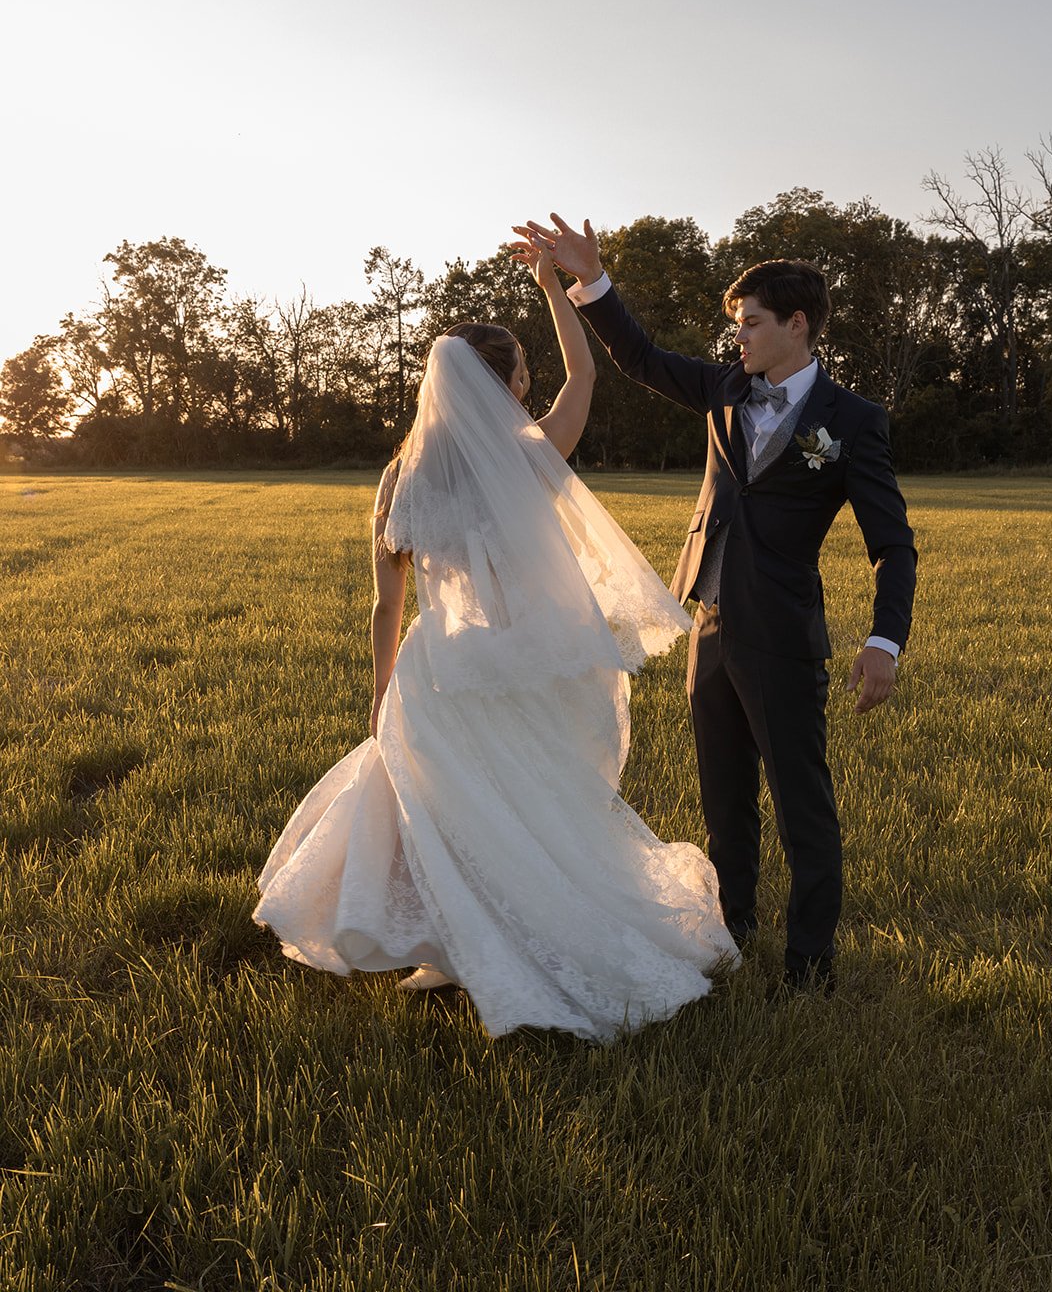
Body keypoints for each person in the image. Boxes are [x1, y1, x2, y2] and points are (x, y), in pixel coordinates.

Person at [253, 244, 739, 1040]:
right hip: (532, 665)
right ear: (505, 384)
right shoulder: (531, 456)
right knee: (538, 811)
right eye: (520, 375)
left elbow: (387, 606)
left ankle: (463, 945)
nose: (529, 385)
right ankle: (508, 943)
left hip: (438, 667)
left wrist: (381, 694)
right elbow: (583, 378)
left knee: (453, 818)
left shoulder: (396, 477)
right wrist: (555, 289)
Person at [515, 216, 918, 993]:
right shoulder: (723, 388)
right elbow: (635, 357)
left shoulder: (852, 422)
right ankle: (732, 933)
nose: (738, 338)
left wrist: (884, 641)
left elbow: (892, 545)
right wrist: (589, 279)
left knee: (804, 808)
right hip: (708, 623)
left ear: (796, 326)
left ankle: (809, 966)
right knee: (723, 802)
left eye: (751, 324)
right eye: (736, 326)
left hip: (781, 634)